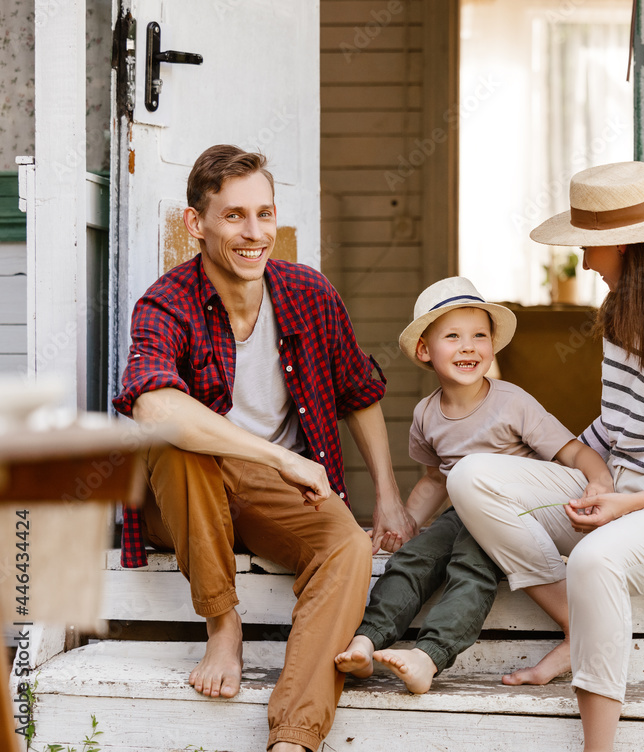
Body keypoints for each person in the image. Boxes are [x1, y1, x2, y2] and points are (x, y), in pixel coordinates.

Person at [112, 144, 417, 752]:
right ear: (195, 224)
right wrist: (281, 456)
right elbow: (152, 403)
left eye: (265, 214)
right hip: (190, 498)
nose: (255, 233)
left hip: (277, 496)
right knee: (179, 445)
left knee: (347, 546)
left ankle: (295, 737)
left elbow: (359, 389)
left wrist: (388, 495)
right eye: (234, 217)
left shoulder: (308, 293)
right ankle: (224, 623)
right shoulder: (165, 302)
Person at [446, 161, 644, 751]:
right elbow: (612, 426)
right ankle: (577, 625)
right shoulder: (617, 315)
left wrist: (629, 503)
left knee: (595, 561)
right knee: (473, 476)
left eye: (592, 247)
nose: (585, 261)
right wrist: (589, 475)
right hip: (618, 489)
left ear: (627, 246)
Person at [335, 277, 614, 694]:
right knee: (413, 559)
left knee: (469, 564)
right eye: (453, 336)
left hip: (512, 515)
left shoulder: (512, 401)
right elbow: (435, 479)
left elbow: (572, 451)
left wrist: (599, 480)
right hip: (461, 511)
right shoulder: (426, 414)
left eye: (479, 336)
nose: (469, 346)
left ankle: (430, 656)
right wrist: (407, 523)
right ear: (424, 351)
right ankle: (367, 640)